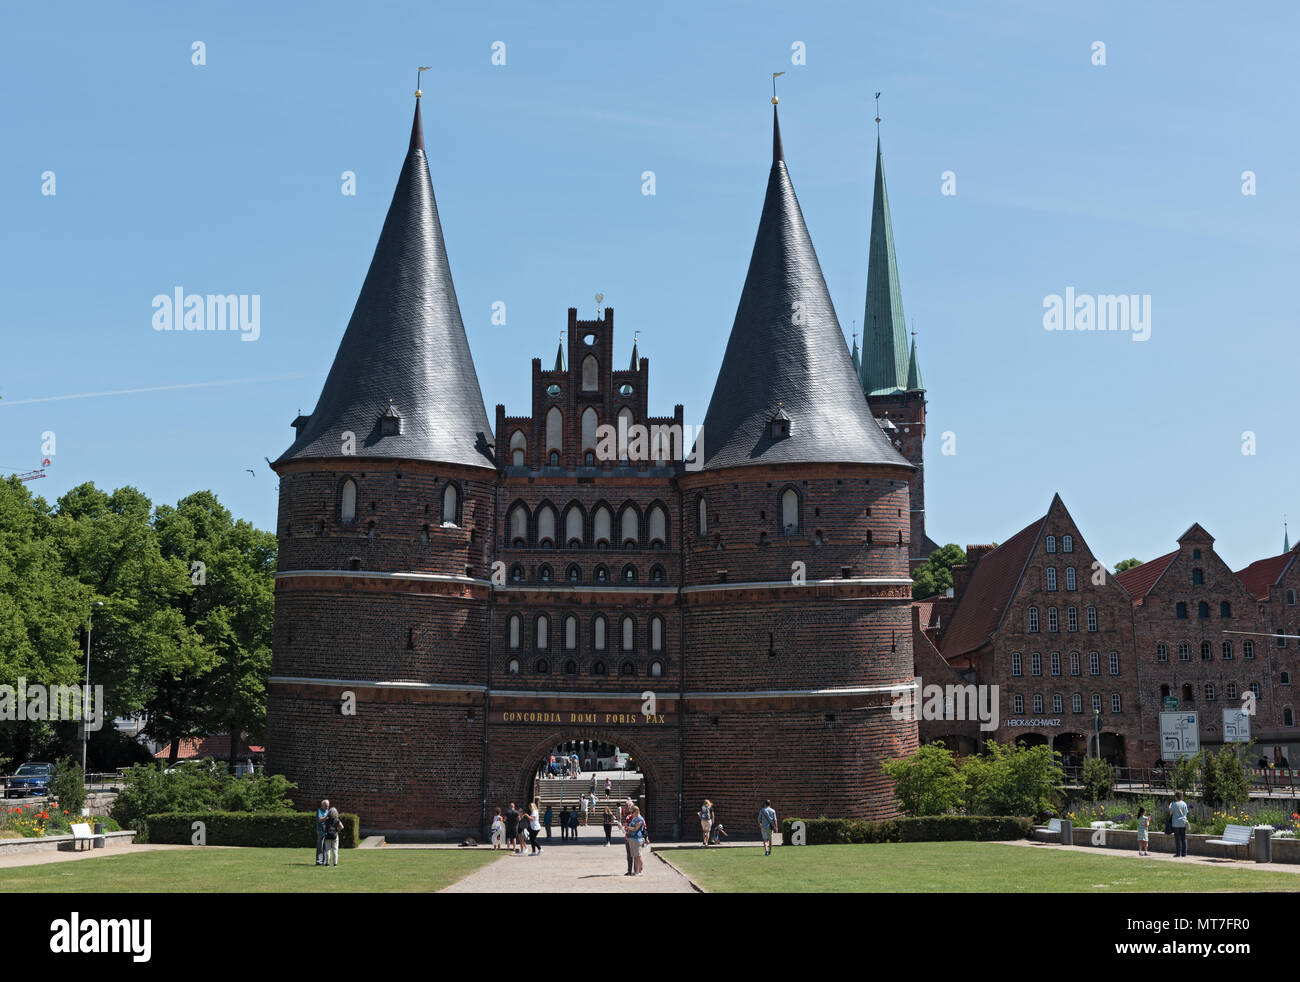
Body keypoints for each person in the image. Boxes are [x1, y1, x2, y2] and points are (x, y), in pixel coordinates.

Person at [626, 805, 646, 875]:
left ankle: (640, 871)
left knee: (639, 856)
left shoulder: (640, 819)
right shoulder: (634, 818)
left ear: (636, 812)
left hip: (637, 839)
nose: (631, 814)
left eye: (632, 812)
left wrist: (628, 827)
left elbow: (635, 829)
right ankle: (636, 871)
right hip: (633, 839)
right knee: (636, 856)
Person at [1169, 792, 1189, 858]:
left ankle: (1178, 853)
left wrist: (1169, 807)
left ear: (1176, 797)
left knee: (1177, 839)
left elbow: (1171, 813)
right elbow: (1186, 813)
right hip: (1183, 822)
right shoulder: (1184, 803)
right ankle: (1184, 853)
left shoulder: (1174, 804)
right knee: (1183, 838)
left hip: (1176, 823)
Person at [315, 799, 331, 866]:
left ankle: (324, 861)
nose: (327, 807)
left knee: (325, 847)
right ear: (322, 805)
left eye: (328, 806)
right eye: (326, 806)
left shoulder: (327, 811)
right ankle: (318, 861)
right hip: (320, 831)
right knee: (320, 846)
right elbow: (319, 820)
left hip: (326, 831)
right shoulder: (319, 811)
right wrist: (327, 815)